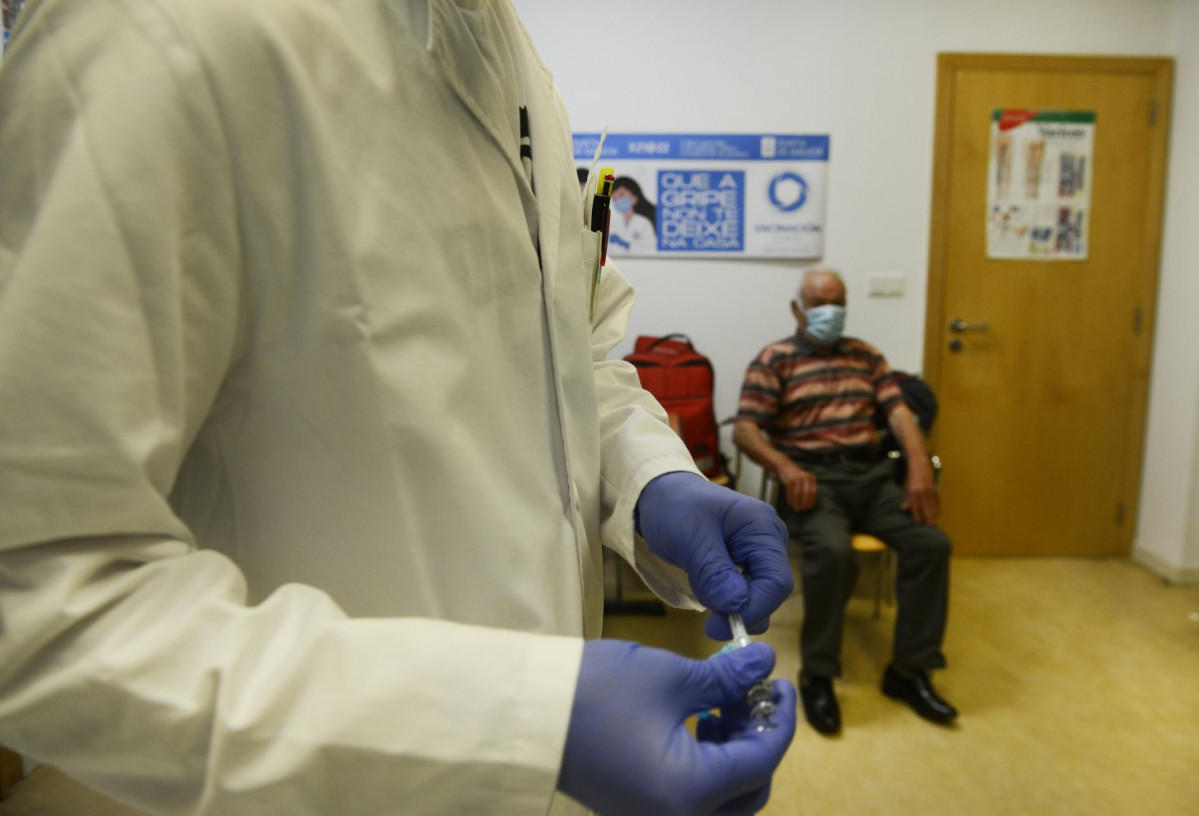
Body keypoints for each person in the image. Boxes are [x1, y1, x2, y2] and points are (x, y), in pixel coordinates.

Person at [0, 2, 797, 815]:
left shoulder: (506, 53)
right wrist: (517, 722)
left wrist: (649, 477)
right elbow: (37, 599)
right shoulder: (152, 32)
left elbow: (568, 352)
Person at [733, 268, 956, 736]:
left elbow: (898, 412)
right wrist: (787, 468)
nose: (828, 312)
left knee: (931, 544)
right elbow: (746, 429)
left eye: (837, 302)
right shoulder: (775, 359)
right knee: (833, 553)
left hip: (873, 478)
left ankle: (909, 671)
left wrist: (918, 466)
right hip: (813, 481)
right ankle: (818, 674)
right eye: (818, 303)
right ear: (798, 309)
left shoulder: (866, 356)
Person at [607, 176, 658, 255]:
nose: (618, 201)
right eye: (615, 198)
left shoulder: (644, 223)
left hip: (637, 264)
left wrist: (626, 244)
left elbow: (648, 249)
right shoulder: (612, 223)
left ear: (634, 198)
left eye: (621, 195)